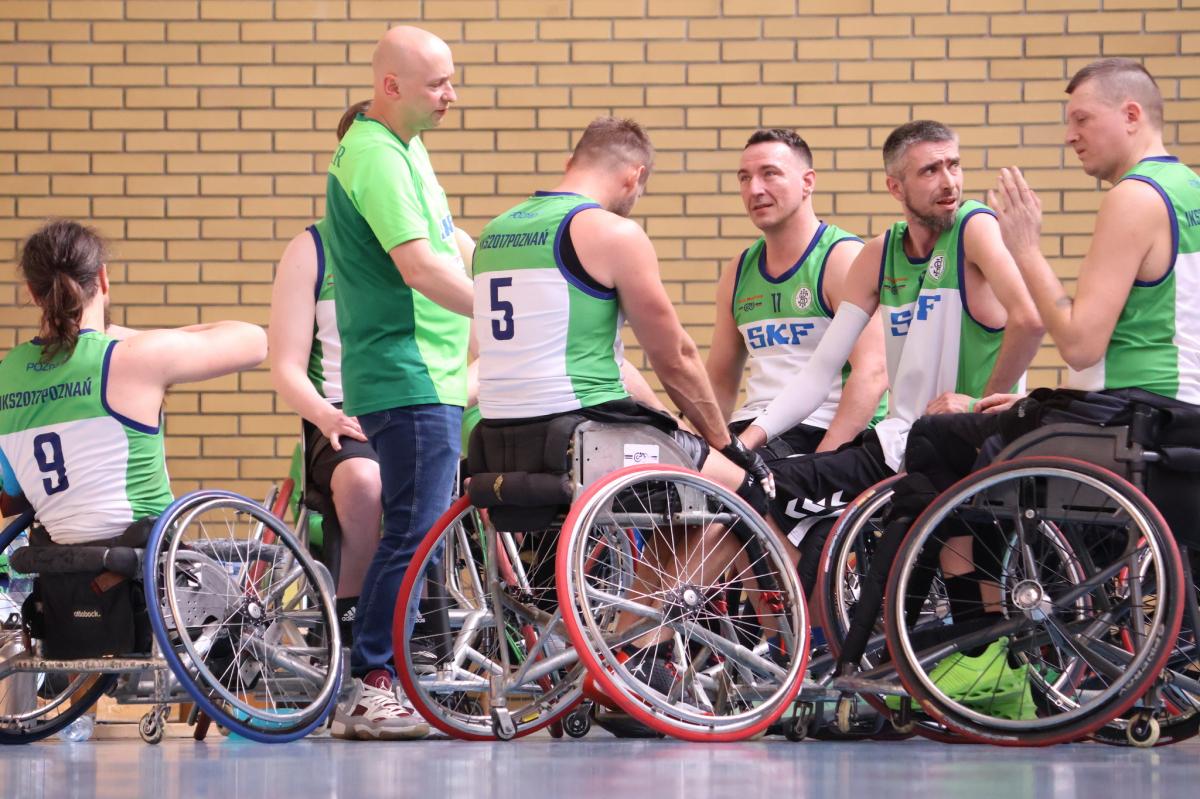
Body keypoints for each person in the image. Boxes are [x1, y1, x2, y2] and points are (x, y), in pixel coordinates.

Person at [735, 120, 1044, 595]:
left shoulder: (973, 228)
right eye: (930, 171)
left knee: (965, 580)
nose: (949, 182)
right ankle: (807, 620)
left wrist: (978, 408)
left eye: (954, 165)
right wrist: (749, 440)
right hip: (902, 444)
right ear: (895, 187)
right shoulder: (880, 254)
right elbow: (819, 372)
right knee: (753, 481)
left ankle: (815, 619)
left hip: (965, 445)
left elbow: (1030, 320)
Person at [471, 115, 770, 496]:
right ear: (634, 176)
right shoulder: (611, 232)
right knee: (746, 490)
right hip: (582, 427)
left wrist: (673, 423)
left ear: (570, 163)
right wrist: (726, 444)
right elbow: (675, 357)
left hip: (497, 433)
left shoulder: (493, 233)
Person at [322, 26, 475, 740]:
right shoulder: (377, 156)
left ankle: (386, 676)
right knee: (411, 532)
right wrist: (505, 317)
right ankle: (371, 682)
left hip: (430, 372)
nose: (452, 95)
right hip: (407, 372)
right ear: (391, 86)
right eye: (438, 83)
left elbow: (449, 244)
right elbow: (419, 267)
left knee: (416, 532)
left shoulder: (405, 146)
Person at [0, 220, 266, 546]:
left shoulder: (6, 372)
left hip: (61, 568)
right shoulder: (131, 357)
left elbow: (12, 492)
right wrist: (127, 339)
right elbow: (255, 340)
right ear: (102, 278)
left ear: (32, 292)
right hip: (142, 561)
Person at [707, 128, 887, 458]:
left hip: (821, 430)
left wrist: (823, 463)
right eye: (745, 178)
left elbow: (873, 373)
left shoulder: (842, 258)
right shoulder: (739, 270)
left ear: (807, 182)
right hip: (751, 428)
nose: (754, 189)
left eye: (769, 174)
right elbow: (719, 383)